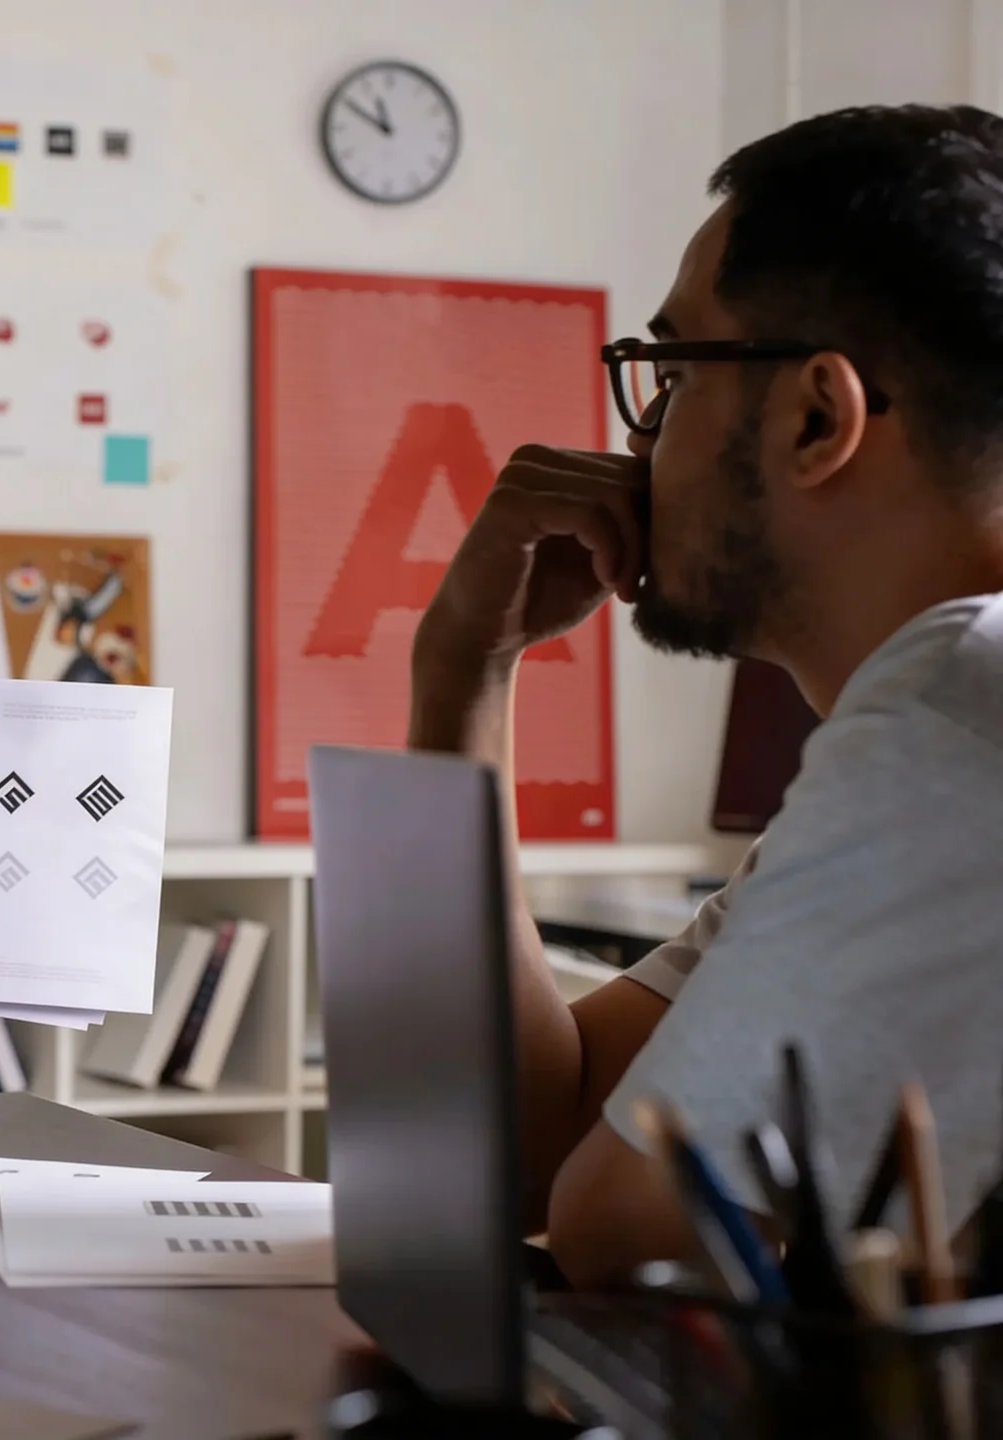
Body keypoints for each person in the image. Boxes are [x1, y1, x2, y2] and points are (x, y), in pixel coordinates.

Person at [410, 102, 1003, 1288]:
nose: (638, 444)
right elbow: (533, 1139)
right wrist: (463, 667)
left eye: (670, 376)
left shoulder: (958, 702)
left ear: (816, 416)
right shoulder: (918, 729)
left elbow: (623, 1232)